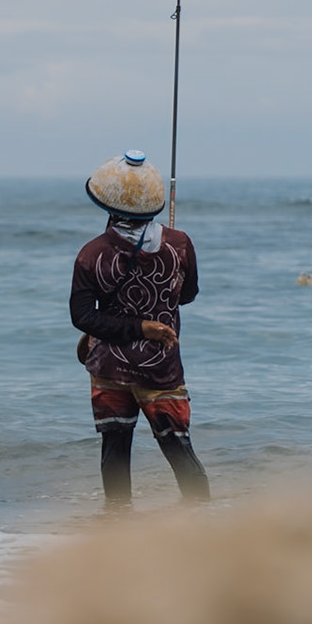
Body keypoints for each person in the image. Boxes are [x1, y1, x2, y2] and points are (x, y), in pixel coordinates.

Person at [70, 150, 209, 506]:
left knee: (115, 449)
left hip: (109, 367)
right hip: (160, 368)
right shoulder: (180, 244)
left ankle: (117, 527)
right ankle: (204, 524)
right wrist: (150, 321)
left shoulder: (91, 254)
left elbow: (83, 318)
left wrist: (132, 323)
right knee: (179, 449)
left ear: (106, 204)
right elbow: (187, 296)